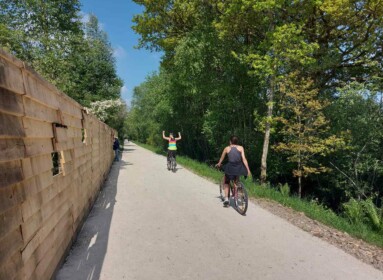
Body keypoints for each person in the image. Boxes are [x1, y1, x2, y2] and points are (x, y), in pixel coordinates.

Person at [216, 136, 251, 207]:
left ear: (230, 141)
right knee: (236, 181)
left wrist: (219, 164)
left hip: (230, 168)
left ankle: (226, 199)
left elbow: (221, 158)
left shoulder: (227, 148)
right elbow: (244, 159)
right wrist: (248, 169)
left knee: (226, 182)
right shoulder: (241, 148)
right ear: (237, 142)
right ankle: (239, 194)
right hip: (238, 168)